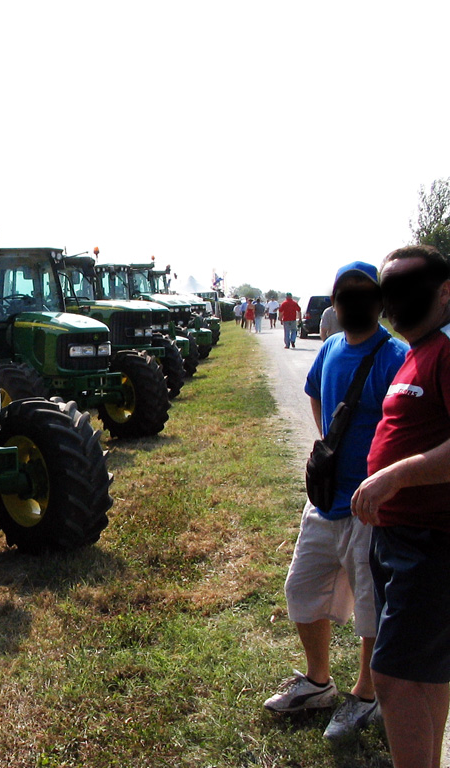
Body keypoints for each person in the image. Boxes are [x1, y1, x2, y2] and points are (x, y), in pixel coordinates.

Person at [265, 262, 407, 741]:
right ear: (335, 302)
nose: (350, 302)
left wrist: (385, 478)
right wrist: (329, 440)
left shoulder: (395, 356)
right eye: (343, 294)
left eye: (361, 294)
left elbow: (408, 428)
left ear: (378, 301)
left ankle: (365, 695)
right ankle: (318, 682)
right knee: (301, 589)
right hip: (324, 503)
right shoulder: (328, 347)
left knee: (370, 607)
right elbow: (313, 395)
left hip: (372, 509)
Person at [352, 244, 450, 768]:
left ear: (445, 292)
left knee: (391, 676)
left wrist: (396, 475)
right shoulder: (419, 349)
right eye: (389, 292)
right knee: (425, 673)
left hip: (429, 542)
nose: (395, 303)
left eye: (408, 289)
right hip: (399, 539)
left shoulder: (447, 350)